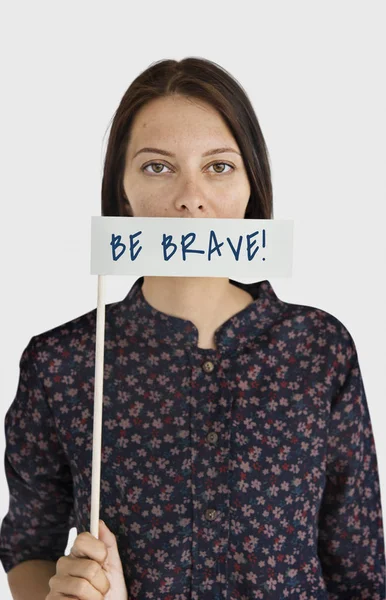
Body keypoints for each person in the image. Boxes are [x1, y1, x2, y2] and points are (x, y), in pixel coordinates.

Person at [0, 57, 385, 600]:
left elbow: (359, 568)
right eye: (158, 166)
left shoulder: (320, 348)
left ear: (253, 184)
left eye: (219, 166)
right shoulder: (62, 363)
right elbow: (28, 548)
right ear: (122, 192)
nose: (190, 197)